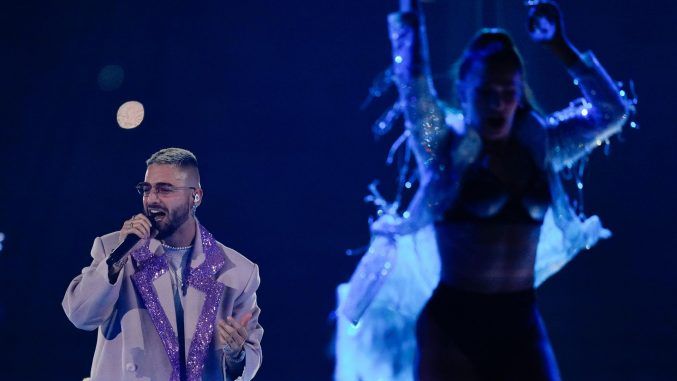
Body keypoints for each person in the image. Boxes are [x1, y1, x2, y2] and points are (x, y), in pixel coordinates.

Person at [336, 1, 632, 380]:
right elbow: (413, 84)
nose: (497, 102)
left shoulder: (540, 147)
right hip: (453, 328)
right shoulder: (445, 153)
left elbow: (611, 113)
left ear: (519, 93)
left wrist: (559, 44)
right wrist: (411, 12)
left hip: (520, 322)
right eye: (485, 92)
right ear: (463, 91)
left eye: (508, 91)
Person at [63, 148, 263, 381]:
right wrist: (119, 257)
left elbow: (250, 356)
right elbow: (80, 316)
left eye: (165, 189)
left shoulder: (237, 272)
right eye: (146, 189)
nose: (152, 199)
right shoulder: (114, 249)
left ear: (195, 196)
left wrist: (236, 355)